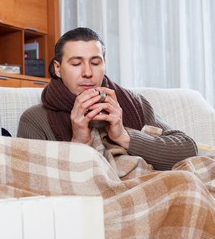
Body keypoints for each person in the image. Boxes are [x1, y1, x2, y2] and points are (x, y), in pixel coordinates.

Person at [17, 27, 197, 170]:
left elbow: (188, 149)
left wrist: (124, 136)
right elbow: (31, 180)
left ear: (104, 64)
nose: (87, 73)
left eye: (95, 63)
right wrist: (78, 141)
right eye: (76, 63)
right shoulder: (35, 119)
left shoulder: (134, 103)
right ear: (57, 68)